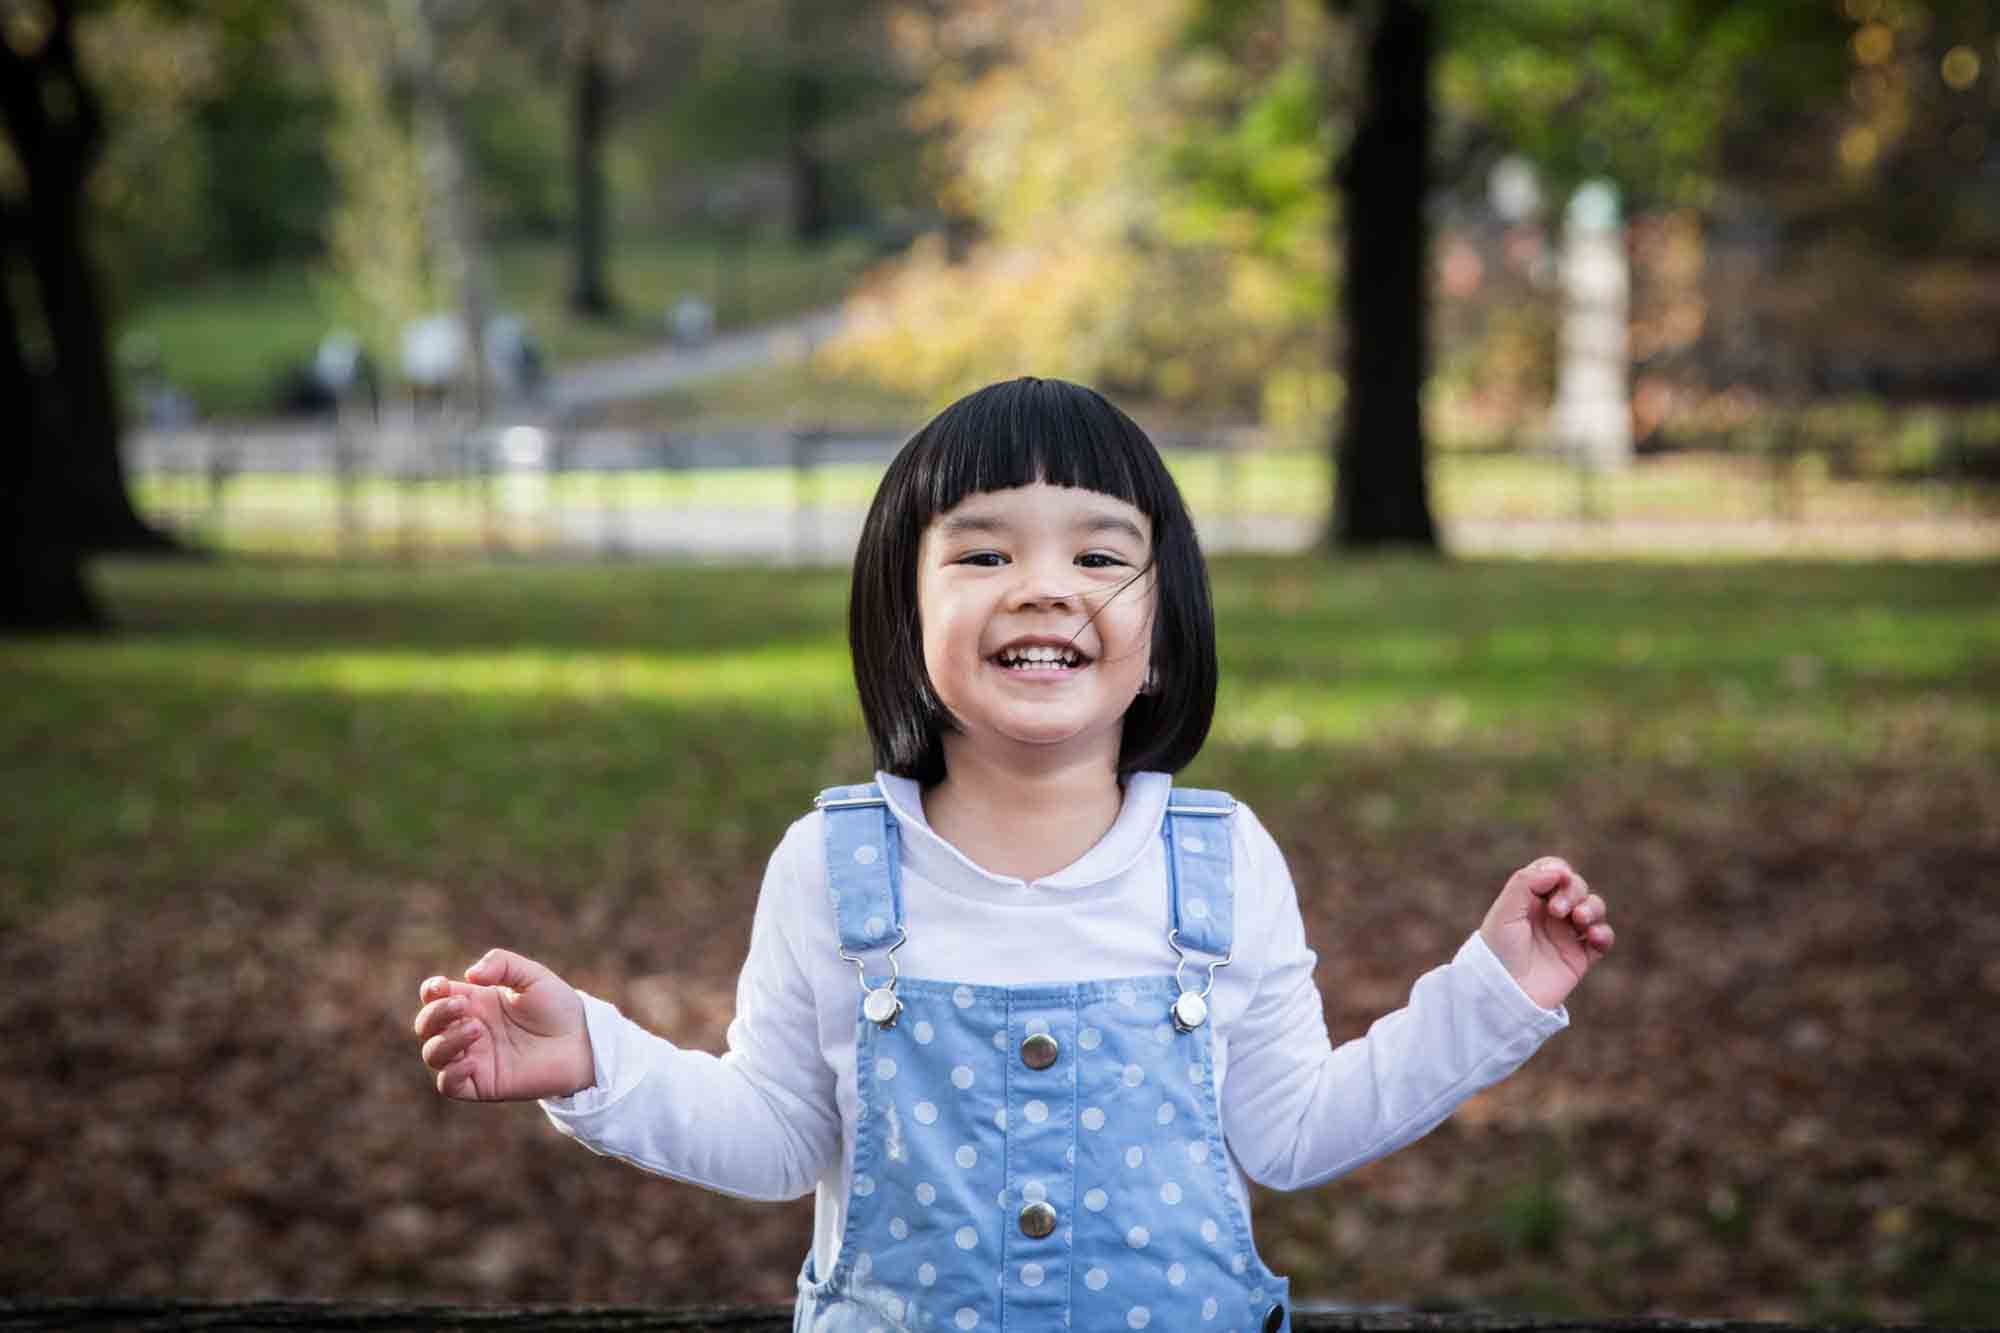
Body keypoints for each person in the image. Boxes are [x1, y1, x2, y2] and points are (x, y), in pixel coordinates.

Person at [412, 377, 1615, 1332]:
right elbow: (778, 1135)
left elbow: (1294, 1129)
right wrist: (594, 1065)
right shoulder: (830, 866)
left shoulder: (1220, 859)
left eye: (1097, 557)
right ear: (905, 612)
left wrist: (1491, 992)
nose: (1043, 588)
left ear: (1160, 634)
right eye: (983, 555)